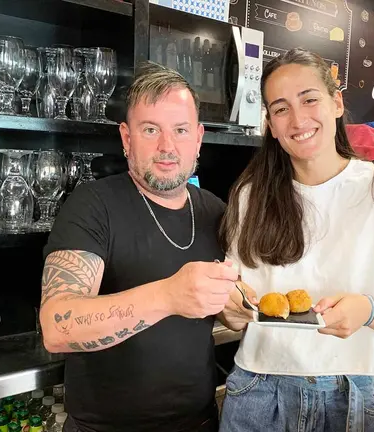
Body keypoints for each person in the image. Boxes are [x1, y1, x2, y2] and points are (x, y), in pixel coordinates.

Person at [217, 48, 374, 432]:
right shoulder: (249, 197)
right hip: (259, 389)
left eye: (309, 99)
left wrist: (368, 310)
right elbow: (233, 309)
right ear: (270, 125)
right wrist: (230, 308)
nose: (298, 119)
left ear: (336, 103)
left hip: (351, 393)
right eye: (281, 108)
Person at [40, 62, 238, 432]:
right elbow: (57, 327)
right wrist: (168, 296)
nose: (167, 146)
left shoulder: (216, 211)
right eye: (150, 130)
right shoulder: (93, 204)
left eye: (180, 130)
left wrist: (239, 308)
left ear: (198, 138)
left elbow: (229, 312)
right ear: (127, 138)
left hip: (200, 422)